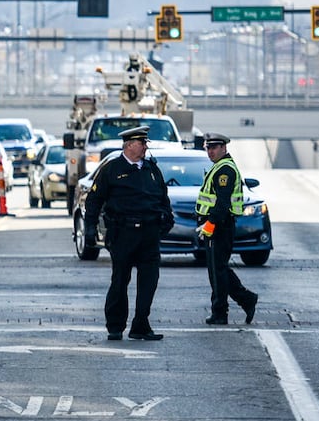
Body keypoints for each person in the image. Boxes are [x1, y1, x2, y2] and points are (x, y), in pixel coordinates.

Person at [82, 126, 174, 341]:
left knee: (149, 281)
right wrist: (90, 228)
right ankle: (115, 326)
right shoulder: (112, 169)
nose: (145, 147)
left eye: (145, 143)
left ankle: (141, 325)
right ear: (129, 145)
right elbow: (94, 201)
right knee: (120, 280)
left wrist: (167, 218)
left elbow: (163, 197)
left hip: (149, 235)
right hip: (123, 233)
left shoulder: (152, 169)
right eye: (141, 143)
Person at [195, 133, 258, 325]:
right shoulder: (219, 167)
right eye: (208, 148)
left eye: (214, 148)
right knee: (219, 269)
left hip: (219, 226)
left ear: (224, 148)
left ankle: (220, 312)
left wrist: (210, 224)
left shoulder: (225, 170)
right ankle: (246, 299)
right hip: (218, 225)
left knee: (218, 271)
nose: (210, 151)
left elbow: (222, 203)